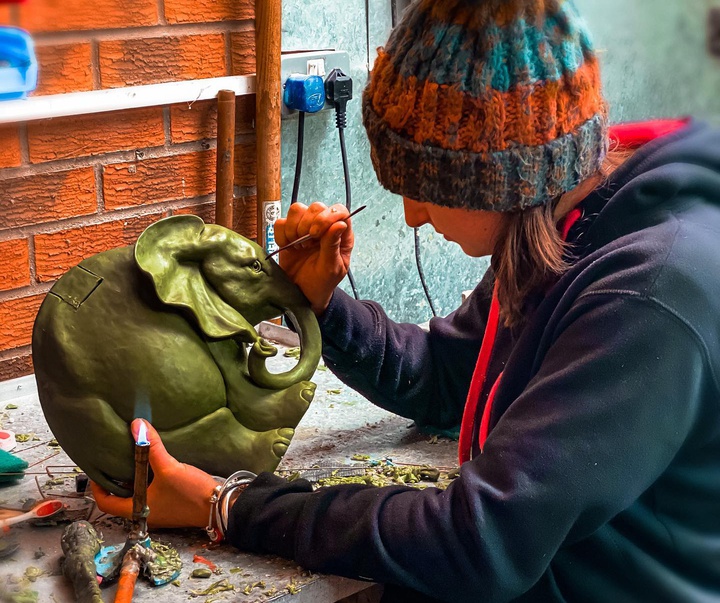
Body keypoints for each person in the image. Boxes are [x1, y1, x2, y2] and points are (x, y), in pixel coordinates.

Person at [92, 0, 720, 601]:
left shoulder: (648, 296)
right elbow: (447, 378)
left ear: (497, 178)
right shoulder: (567, 228)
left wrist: (226, 505)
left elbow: (480, 543)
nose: (414, 217)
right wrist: (321, 306)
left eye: (423, 189)